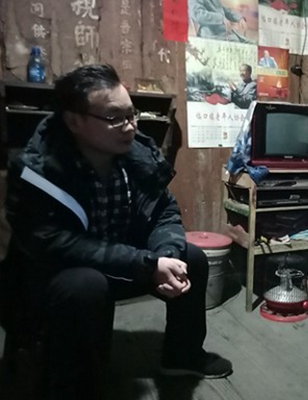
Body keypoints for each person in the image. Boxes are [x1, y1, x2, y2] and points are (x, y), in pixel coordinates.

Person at [0, 64, 232, 400]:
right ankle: (78, 387)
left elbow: (164, 212)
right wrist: (146, 264)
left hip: (124, 262)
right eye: (115, 118)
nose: (130, 126)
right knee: (86, 285)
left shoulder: (136, 155)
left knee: (190, 257)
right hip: (55, 276)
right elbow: (58, 245)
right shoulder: (37, 171)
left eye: (131, 114)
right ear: (74, 121)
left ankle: (183, 357)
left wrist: (165, 255)